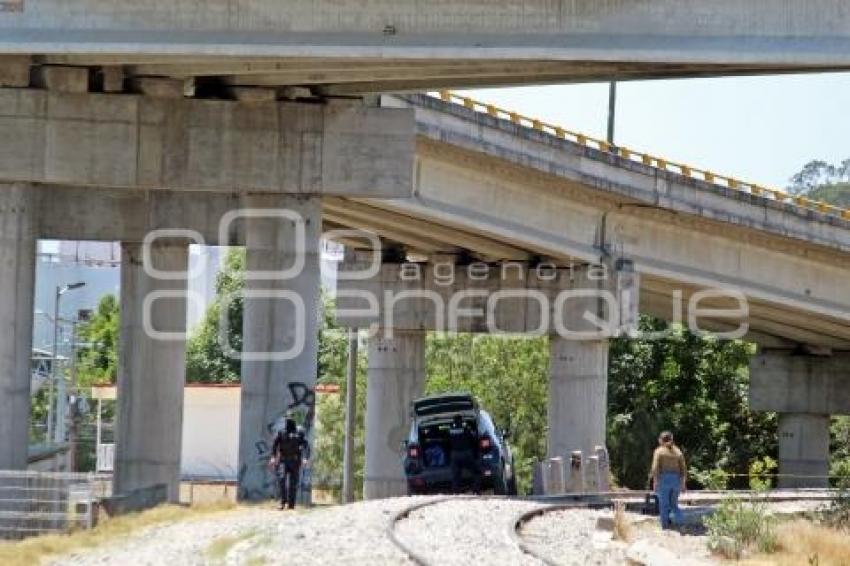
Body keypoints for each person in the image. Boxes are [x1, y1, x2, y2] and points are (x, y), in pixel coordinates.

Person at [650, 430, 687, 529]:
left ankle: (665, 527)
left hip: (664, 480)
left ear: (661, 440)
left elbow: (655, 468)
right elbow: (683, 469)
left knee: (664, 505)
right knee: (674, 505)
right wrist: (683, 484)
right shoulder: (678, 451)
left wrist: (655, 481)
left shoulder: (659, 451)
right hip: (676, 480)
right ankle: (681, 523)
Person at [270, 418, 309, 510]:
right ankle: (283, 502)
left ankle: (291, 505)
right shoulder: (282, 432)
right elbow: (275, 445)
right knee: (282, 480)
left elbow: (306, 446)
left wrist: (305, 458)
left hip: (295, 461)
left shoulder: (299, 433)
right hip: (283, 461)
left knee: (293, 484)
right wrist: (273, 457)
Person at [448, 414, 480, 494]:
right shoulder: (465, 429)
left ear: (454, 421)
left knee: (455, 475)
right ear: (461, 421)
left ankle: (456, 492)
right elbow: (473, 440)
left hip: (454, 455)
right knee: (477, 472)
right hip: (466, 454)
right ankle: (475, 490)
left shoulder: (450, 431)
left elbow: (448, 443)